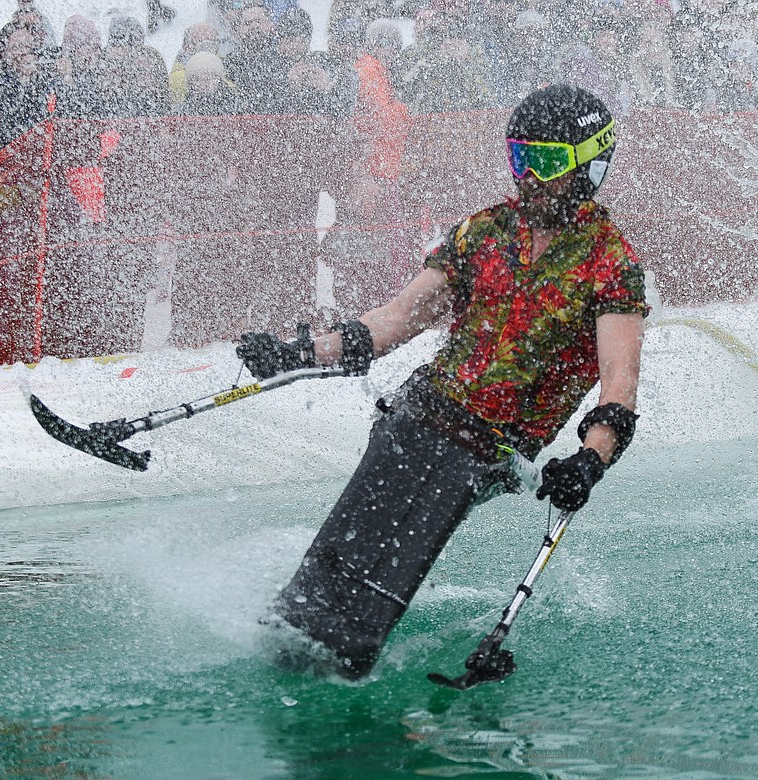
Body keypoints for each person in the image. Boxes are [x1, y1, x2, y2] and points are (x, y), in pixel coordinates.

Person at [239, 83, 647, 680]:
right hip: (421, 410)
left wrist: (588, 460)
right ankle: (287, 646)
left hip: (488, 449)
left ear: (592, 163)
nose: (529, 177)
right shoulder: (483, 233)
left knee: (378, 580)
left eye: (548, 162)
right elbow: (397, 319)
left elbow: (620, 383)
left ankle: (345, 673)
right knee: (332, 565)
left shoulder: (612, 267)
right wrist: (301, 351)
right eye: (520, 158)